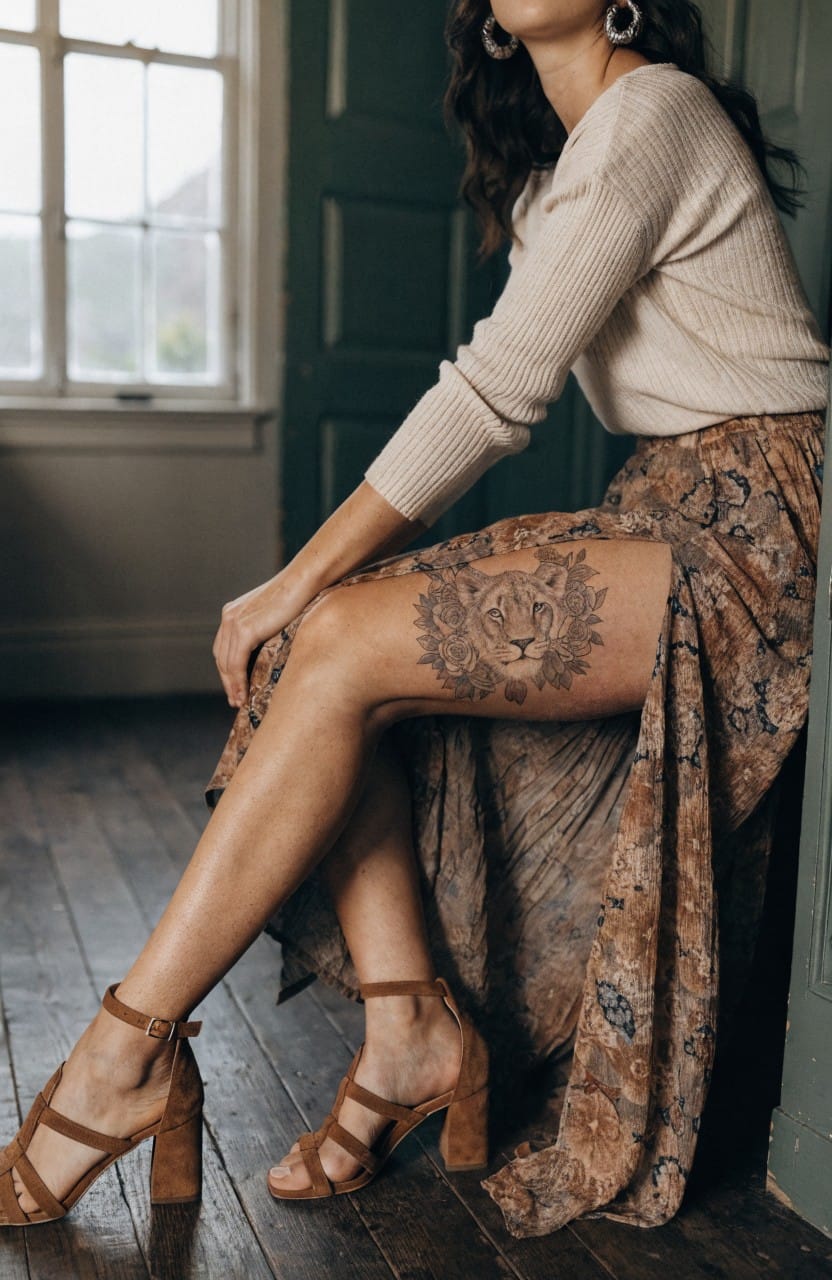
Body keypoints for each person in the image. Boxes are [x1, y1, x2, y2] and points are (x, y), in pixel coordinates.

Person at [2, 0, 829, 1241]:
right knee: (319, 650)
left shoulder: (655, 108)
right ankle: (408, 1030)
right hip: (661, 512)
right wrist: (301, 596)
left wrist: (288, 576)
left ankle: (124, 1053)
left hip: (764, 532)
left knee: (321, 629)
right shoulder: (562, 179)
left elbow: (497, 391)